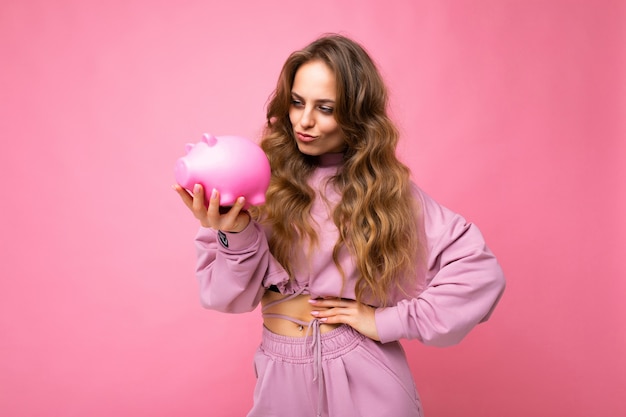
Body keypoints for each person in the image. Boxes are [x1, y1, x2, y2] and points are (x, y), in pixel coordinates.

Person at [174, 34, 505, 417]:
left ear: (356, 114)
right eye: (297, 103)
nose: (305, 121)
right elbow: (224, 297)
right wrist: (234, 234)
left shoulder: (386, 193)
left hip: (366, 378)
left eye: (325, 108)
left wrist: (387, 321)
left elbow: (480, 272)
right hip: (280, 376)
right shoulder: (256, 179)